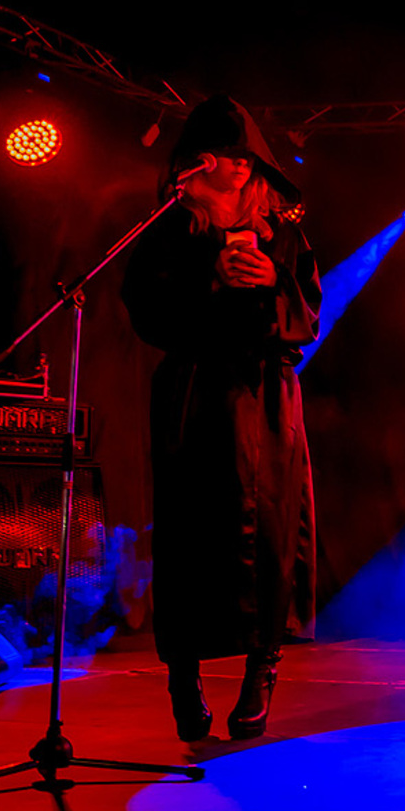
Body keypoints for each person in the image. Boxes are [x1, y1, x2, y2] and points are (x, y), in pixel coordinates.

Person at [122, 95, 322, 741]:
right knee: (189, 533)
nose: (238, 164)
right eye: (226, 153)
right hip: (194, 394)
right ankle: (184, 675)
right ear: (198, 161)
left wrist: (270, 283)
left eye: (246, 155)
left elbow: (306, 319)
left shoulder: (282, 233)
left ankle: (261, 668)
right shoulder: (170, 230)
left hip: (264, 397)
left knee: (268, 531)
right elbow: (146, 311)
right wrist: (211, 276)